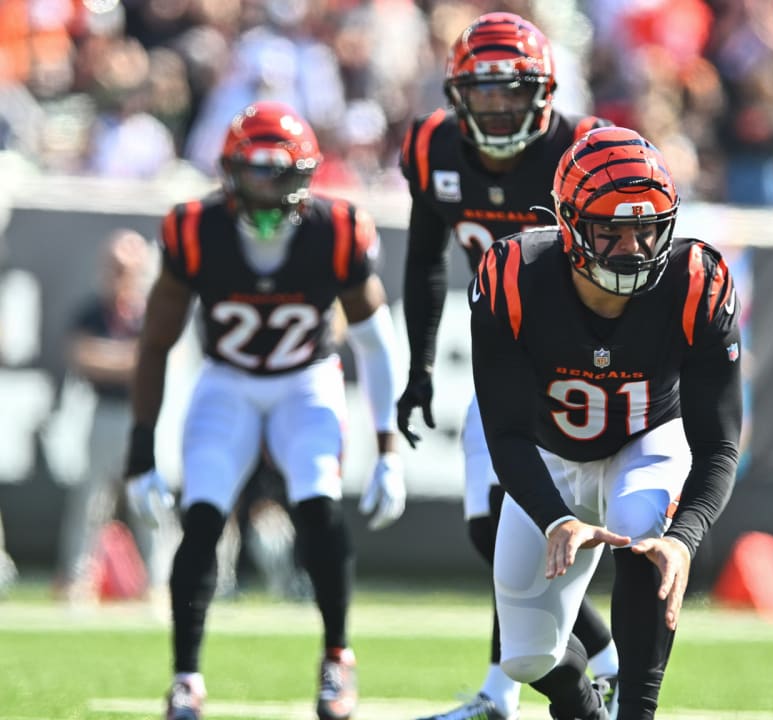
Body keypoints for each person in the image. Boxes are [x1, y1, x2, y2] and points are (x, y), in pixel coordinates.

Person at [124, 100, 405, 720]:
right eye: (251, 172)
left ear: (305, 174)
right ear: (228, 171)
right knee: (202, 518)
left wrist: (388, 449)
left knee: (318, 505)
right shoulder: (194, 229)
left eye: (276, 172)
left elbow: (377, 342)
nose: (264, 187)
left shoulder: (337, 230)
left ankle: (337, 656)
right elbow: (157, 340)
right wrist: (141, 448)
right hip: (226, 381)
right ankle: (186, 677)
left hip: (306, 379)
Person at [470, 126, 742, 720]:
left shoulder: (696, 281)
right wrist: (555, 518)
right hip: (551, 454)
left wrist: (684, 538)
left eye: (646, 230)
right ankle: (586, 708)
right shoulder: (514, 277)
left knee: (643, 531)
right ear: (569, 225)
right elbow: (506, 433)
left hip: (648, 440)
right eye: (611, 232)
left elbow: (720, 443)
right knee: (526, 658)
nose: (633, 249)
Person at [394, 12, 616, 720]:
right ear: (458, 95)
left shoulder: (584, 151)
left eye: (511, 92)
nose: (495, 107)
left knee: (521, 525)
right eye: (482, 93)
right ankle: (582, 666)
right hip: (506, 368)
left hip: (584, 373)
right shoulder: (433, 146)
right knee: (490, 531)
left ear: (543, 92)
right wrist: (420, 365)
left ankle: (556, 680)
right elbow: (426, 260)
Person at [57, 229, 157, 600]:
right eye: (114, 267)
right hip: (104, 412)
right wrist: (131, 358)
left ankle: (158, 580)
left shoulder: (152, 311)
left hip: (143, 413)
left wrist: (114, 357)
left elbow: (160, 360)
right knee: (90, 501)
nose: (119, 276)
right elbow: (81, 355)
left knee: (148, 500)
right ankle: (78, 576)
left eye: (126, 268)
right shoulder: (92, 310)